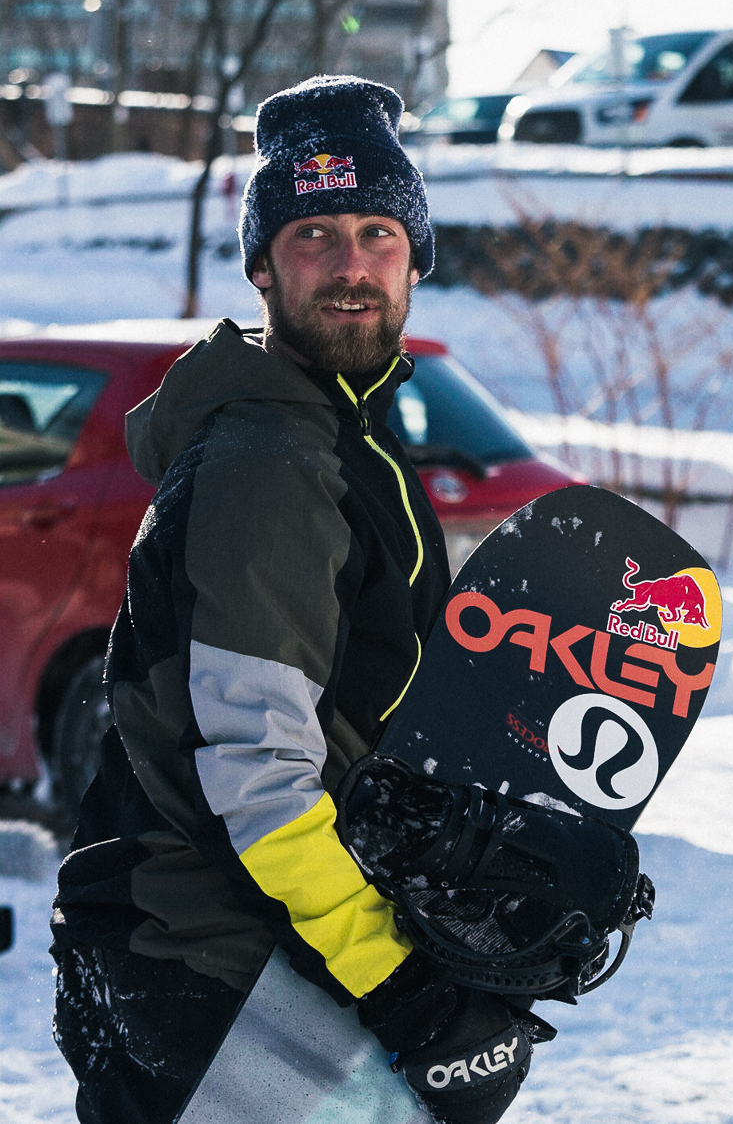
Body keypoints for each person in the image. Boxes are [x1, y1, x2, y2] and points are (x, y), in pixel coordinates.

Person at [50, 76, 537, 1124]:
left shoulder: (341, 435)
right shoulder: (270, 460)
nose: (353, 265)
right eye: (314, 233)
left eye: (378, 231)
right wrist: (410, 994)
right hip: (218, 964)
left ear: (416, 259)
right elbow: (262, 780)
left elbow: (367, 724)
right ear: (263, 264)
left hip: (244, 951)